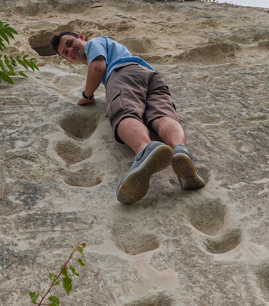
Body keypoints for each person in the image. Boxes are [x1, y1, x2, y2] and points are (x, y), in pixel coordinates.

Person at [49, 30, 206, 203]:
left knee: (124, 112)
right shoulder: (114, 49)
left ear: (80, 37)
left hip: (123, 73)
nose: (70, 50)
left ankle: (145, 150)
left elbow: (98, 68)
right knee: (162, 115)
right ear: (69, 61)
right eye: (65, 52)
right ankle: (181, 151)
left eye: (70, 43)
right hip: (151, 76)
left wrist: (87, 96)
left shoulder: (95, 43)